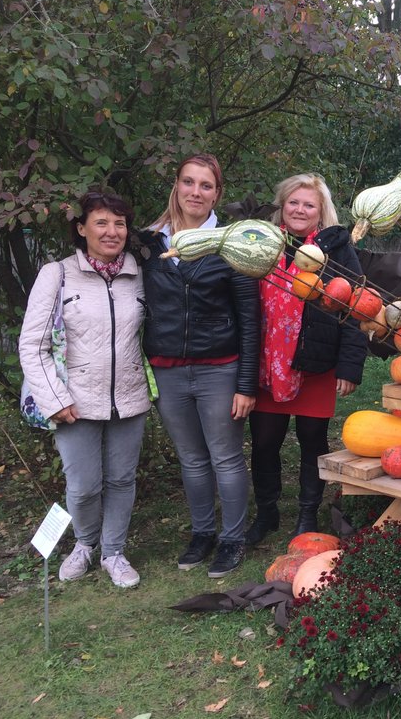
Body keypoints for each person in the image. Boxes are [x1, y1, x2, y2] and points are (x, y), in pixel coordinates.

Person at [19, 192, 150, 588]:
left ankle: (113, 552)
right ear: (81, 229)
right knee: (83, 484)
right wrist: (54, 400)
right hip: (73, 400)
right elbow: (32, 344)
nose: (112, 232)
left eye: (120, 224)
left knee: (122, 481)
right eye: (101, 223)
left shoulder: (139, 275)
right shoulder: (57, 274)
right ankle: (84, 544)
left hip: (129, 396)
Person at [139, 154, 260, 578]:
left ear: (217, 194)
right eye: (188, 182)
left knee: (225, 457)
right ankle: (202, 532)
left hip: (219, 368)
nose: (195, 191)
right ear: (176, 185)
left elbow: (249, 318)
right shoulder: (150, 243)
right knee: (191, 459)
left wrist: (247, 384)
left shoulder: (232, 245)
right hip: (169, 370)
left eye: (205, 185)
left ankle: (232, 538)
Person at [245, 173, 367, 544]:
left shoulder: (336, 248)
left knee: (312, 439)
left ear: (320, 211)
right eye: (293, 202)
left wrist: (349, 366)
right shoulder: (262, 243)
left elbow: (355, 306)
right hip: (267, 361)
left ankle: (307, 514)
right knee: (264, 441)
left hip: (316, 360)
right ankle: (266, 513)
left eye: (308, 204)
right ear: (282, 206)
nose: (300, 209)